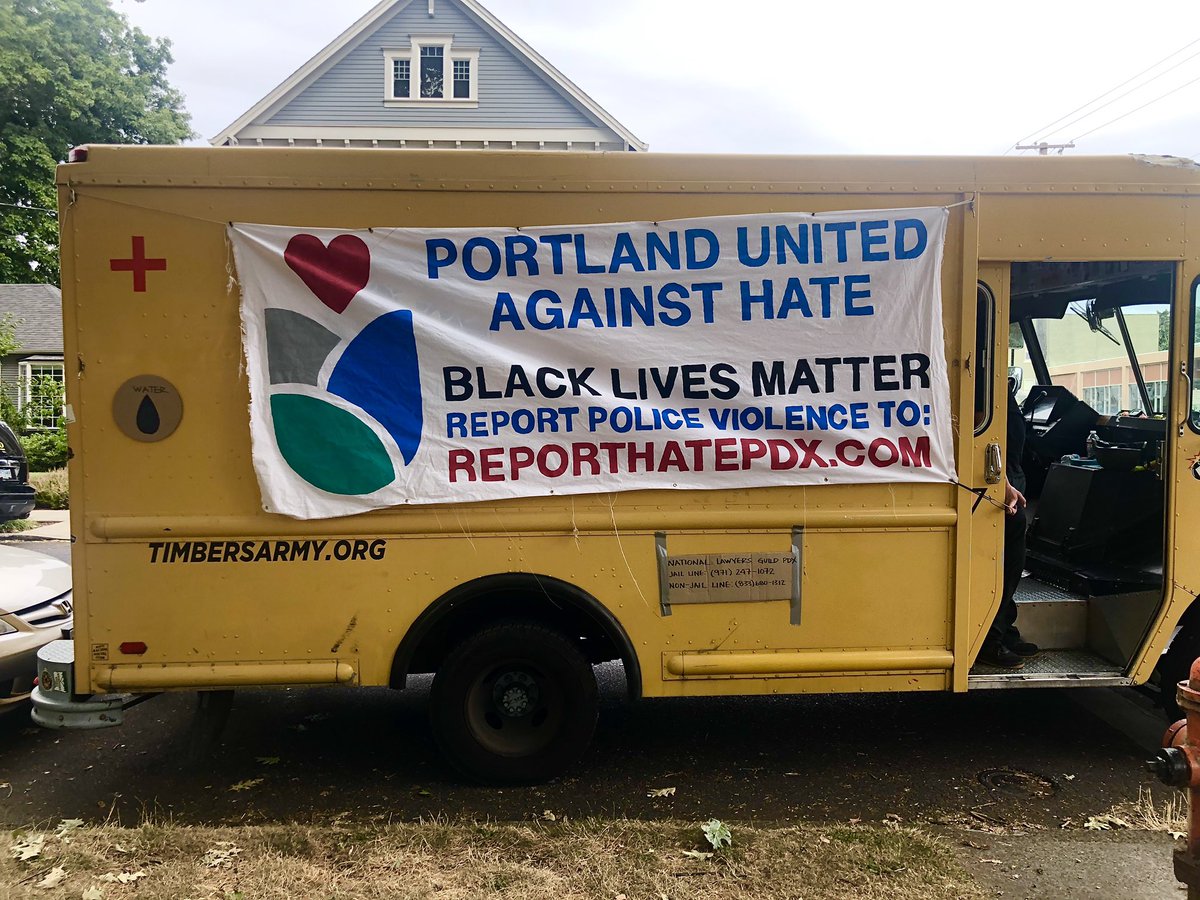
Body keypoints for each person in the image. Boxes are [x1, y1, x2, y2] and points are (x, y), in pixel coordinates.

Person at [979, 383, 1040, 668]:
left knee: (1007, 560)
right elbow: (976, 427)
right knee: (1003, 559)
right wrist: (1001, 484)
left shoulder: (992, 372)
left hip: (1007, 475)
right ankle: (989, 637)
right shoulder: (982, 368)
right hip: (994, 480)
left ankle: (1003, 627)